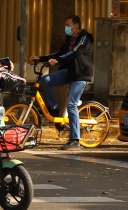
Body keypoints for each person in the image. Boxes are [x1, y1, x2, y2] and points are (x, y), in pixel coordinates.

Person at [30, 14, 94, 150]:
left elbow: (74, 53)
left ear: (76, 26)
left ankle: (75, 140)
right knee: (45, 80)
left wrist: (58, 61)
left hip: (81, 75)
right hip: (70, 72)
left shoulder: (84, 38)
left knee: (71, 104)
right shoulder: (70, 39)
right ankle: (54, 109)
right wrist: (41, 58)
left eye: (68, 25)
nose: (66, 27)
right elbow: (60, 53)